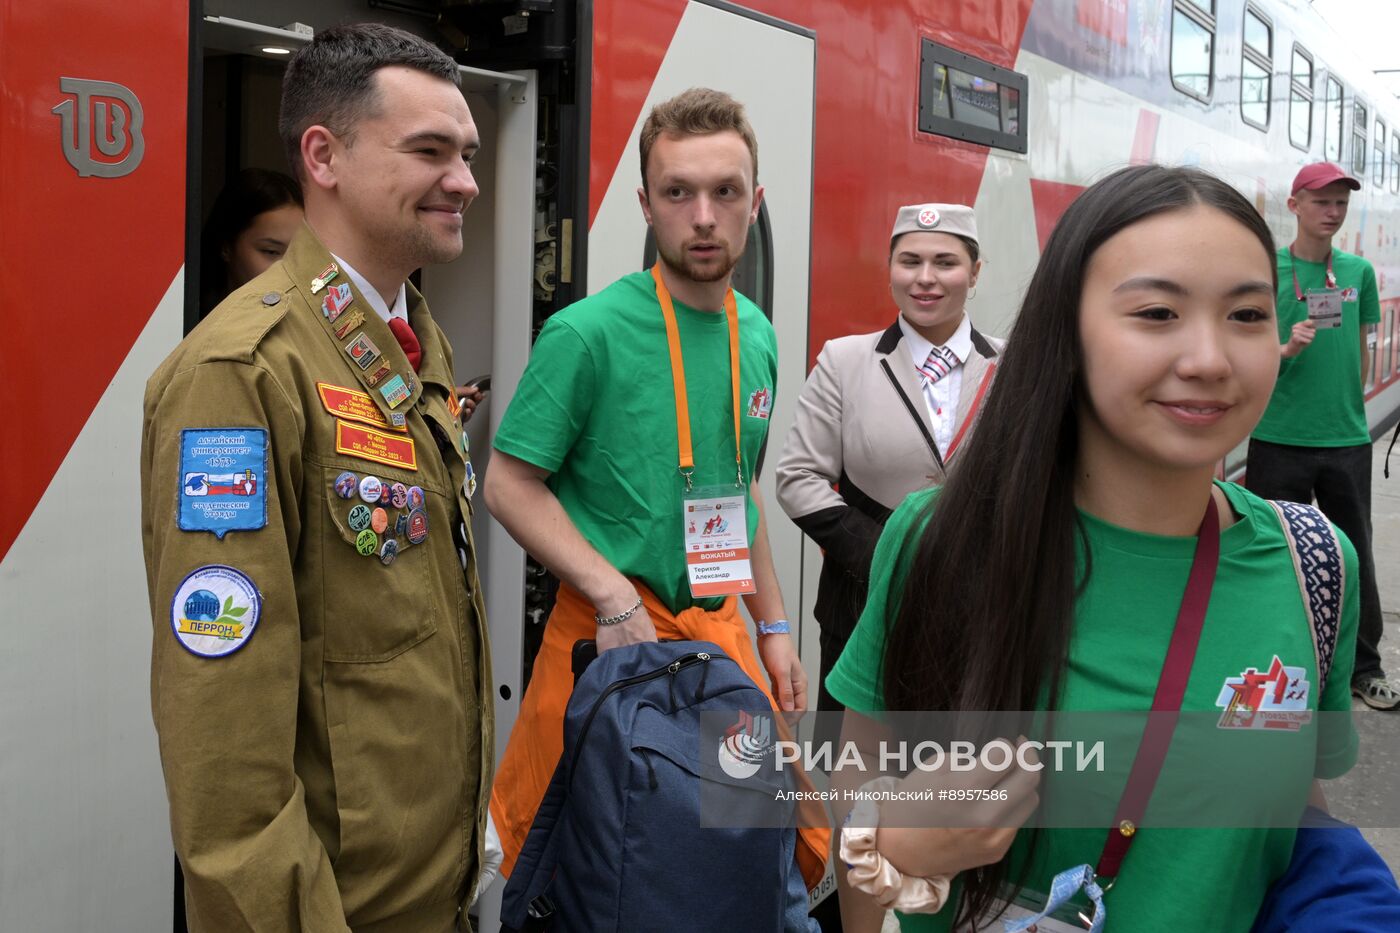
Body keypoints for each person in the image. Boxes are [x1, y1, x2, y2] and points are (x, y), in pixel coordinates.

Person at [825, 165, 1361, 931]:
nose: (1210, 358)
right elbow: (858, 795)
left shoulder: (1316, 566)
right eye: (1156, 312)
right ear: (1065, 332)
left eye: (1247, 314)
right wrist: (899, 842)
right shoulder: (938, 540)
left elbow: (1292, 816)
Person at [140, 24, 493, 932]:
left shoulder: (410, 336)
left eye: (466, 154)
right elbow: (225, 754)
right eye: (430, 151)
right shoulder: (243, 371)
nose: (466, 180)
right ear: (323, 156)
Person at [483, 87, 828, 892]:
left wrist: (772, 624)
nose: (702, 216)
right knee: (588, 874)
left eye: (725, 192)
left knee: (741, 875)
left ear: (755, 203)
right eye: (678, 193)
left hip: (718, 647)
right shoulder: (586, 333)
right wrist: (611, 593)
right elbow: (508, 483)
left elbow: (737, 495)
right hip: (609, 647)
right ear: (646, 203)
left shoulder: (758, 333)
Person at [776, 202, 1001, 752]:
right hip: (862, 600)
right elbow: (797, 477)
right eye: (910, 261)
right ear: (891, 269)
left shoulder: (1014, 368)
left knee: (962, 772)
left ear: (974, 273)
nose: (925, 278)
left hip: (982, 603)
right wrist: (888, 554)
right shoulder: (845, 361)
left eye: (945, 262)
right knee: (853, 774)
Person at [1247, 161, 1396, 711]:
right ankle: (1267, 660)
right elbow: (1247, 349)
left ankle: (1365, 667)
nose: (1332, 213)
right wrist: (1284, 352)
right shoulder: (1267, 272)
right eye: (1321, 202)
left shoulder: (1355, 272)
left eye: (1340, 204)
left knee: (1354, 555)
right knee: (1272, 554)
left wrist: (1347, 413)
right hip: (1277, 437)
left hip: (1346, 442)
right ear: (1294, 206)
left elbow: (1359, 354)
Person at [199, 167, 303, 314]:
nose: (288, 269)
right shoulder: (190, 323)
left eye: (298, 252)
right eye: (271, 251)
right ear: (226, 246)